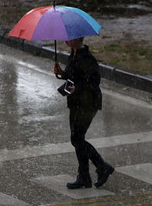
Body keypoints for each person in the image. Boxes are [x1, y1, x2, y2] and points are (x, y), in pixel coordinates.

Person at [53, 37, 114, 189]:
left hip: (88, 103)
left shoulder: (86, 58)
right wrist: (61, 73)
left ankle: (102, 166)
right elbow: (73, 76)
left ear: (78, 38)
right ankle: (84, 177)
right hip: (75, 102)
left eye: (70, 37)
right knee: (77, 138)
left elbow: (94, 82)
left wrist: (78, 88)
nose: (66, 39)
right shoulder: (73, 55)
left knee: (77, 138)